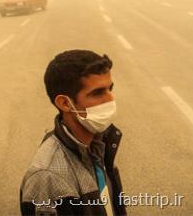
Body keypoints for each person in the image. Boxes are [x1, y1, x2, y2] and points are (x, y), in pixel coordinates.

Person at [20, 50, 126, 216]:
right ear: (65, 103)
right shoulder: (49, 178)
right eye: (97, 93)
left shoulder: (97, 145)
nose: (110, 99)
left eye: (110, 89)